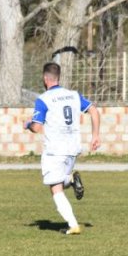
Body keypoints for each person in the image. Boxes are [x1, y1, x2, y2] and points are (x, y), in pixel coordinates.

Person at [25, 62, 100, 235]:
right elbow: (94, 111)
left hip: (55, 149)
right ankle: (72, 180)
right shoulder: (73, 95)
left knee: (55, 188)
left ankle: (73, 225)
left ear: (45, 78)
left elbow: (36, 128)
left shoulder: (43, 99)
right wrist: (96, 135)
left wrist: (27, 123)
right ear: (58, 77)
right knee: (60, 180)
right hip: (73, 147)